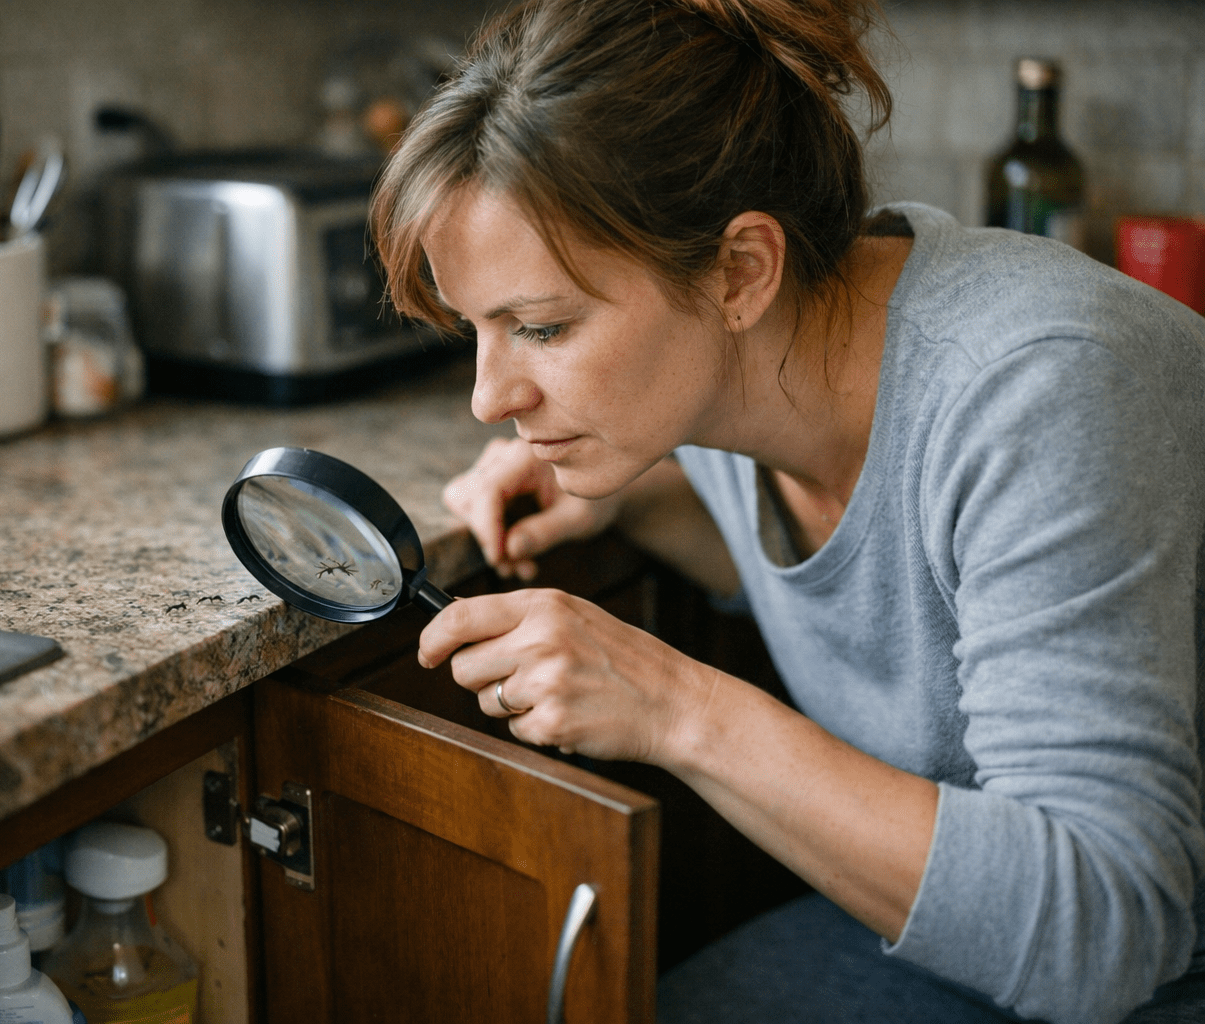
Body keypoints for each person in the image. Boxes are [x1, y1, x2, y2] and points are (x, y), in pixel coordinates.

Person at [367, 1, 1205, 1022]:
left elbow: (1108, 931)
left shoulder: (1038, 392)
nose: (489, 398)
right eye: (478, 331)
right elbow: (884, 575)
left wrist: (674, 706)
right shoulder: (748, 380)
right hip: (955, 947)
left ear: (740, 270)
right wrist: (634, 507)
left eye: (540, 327)